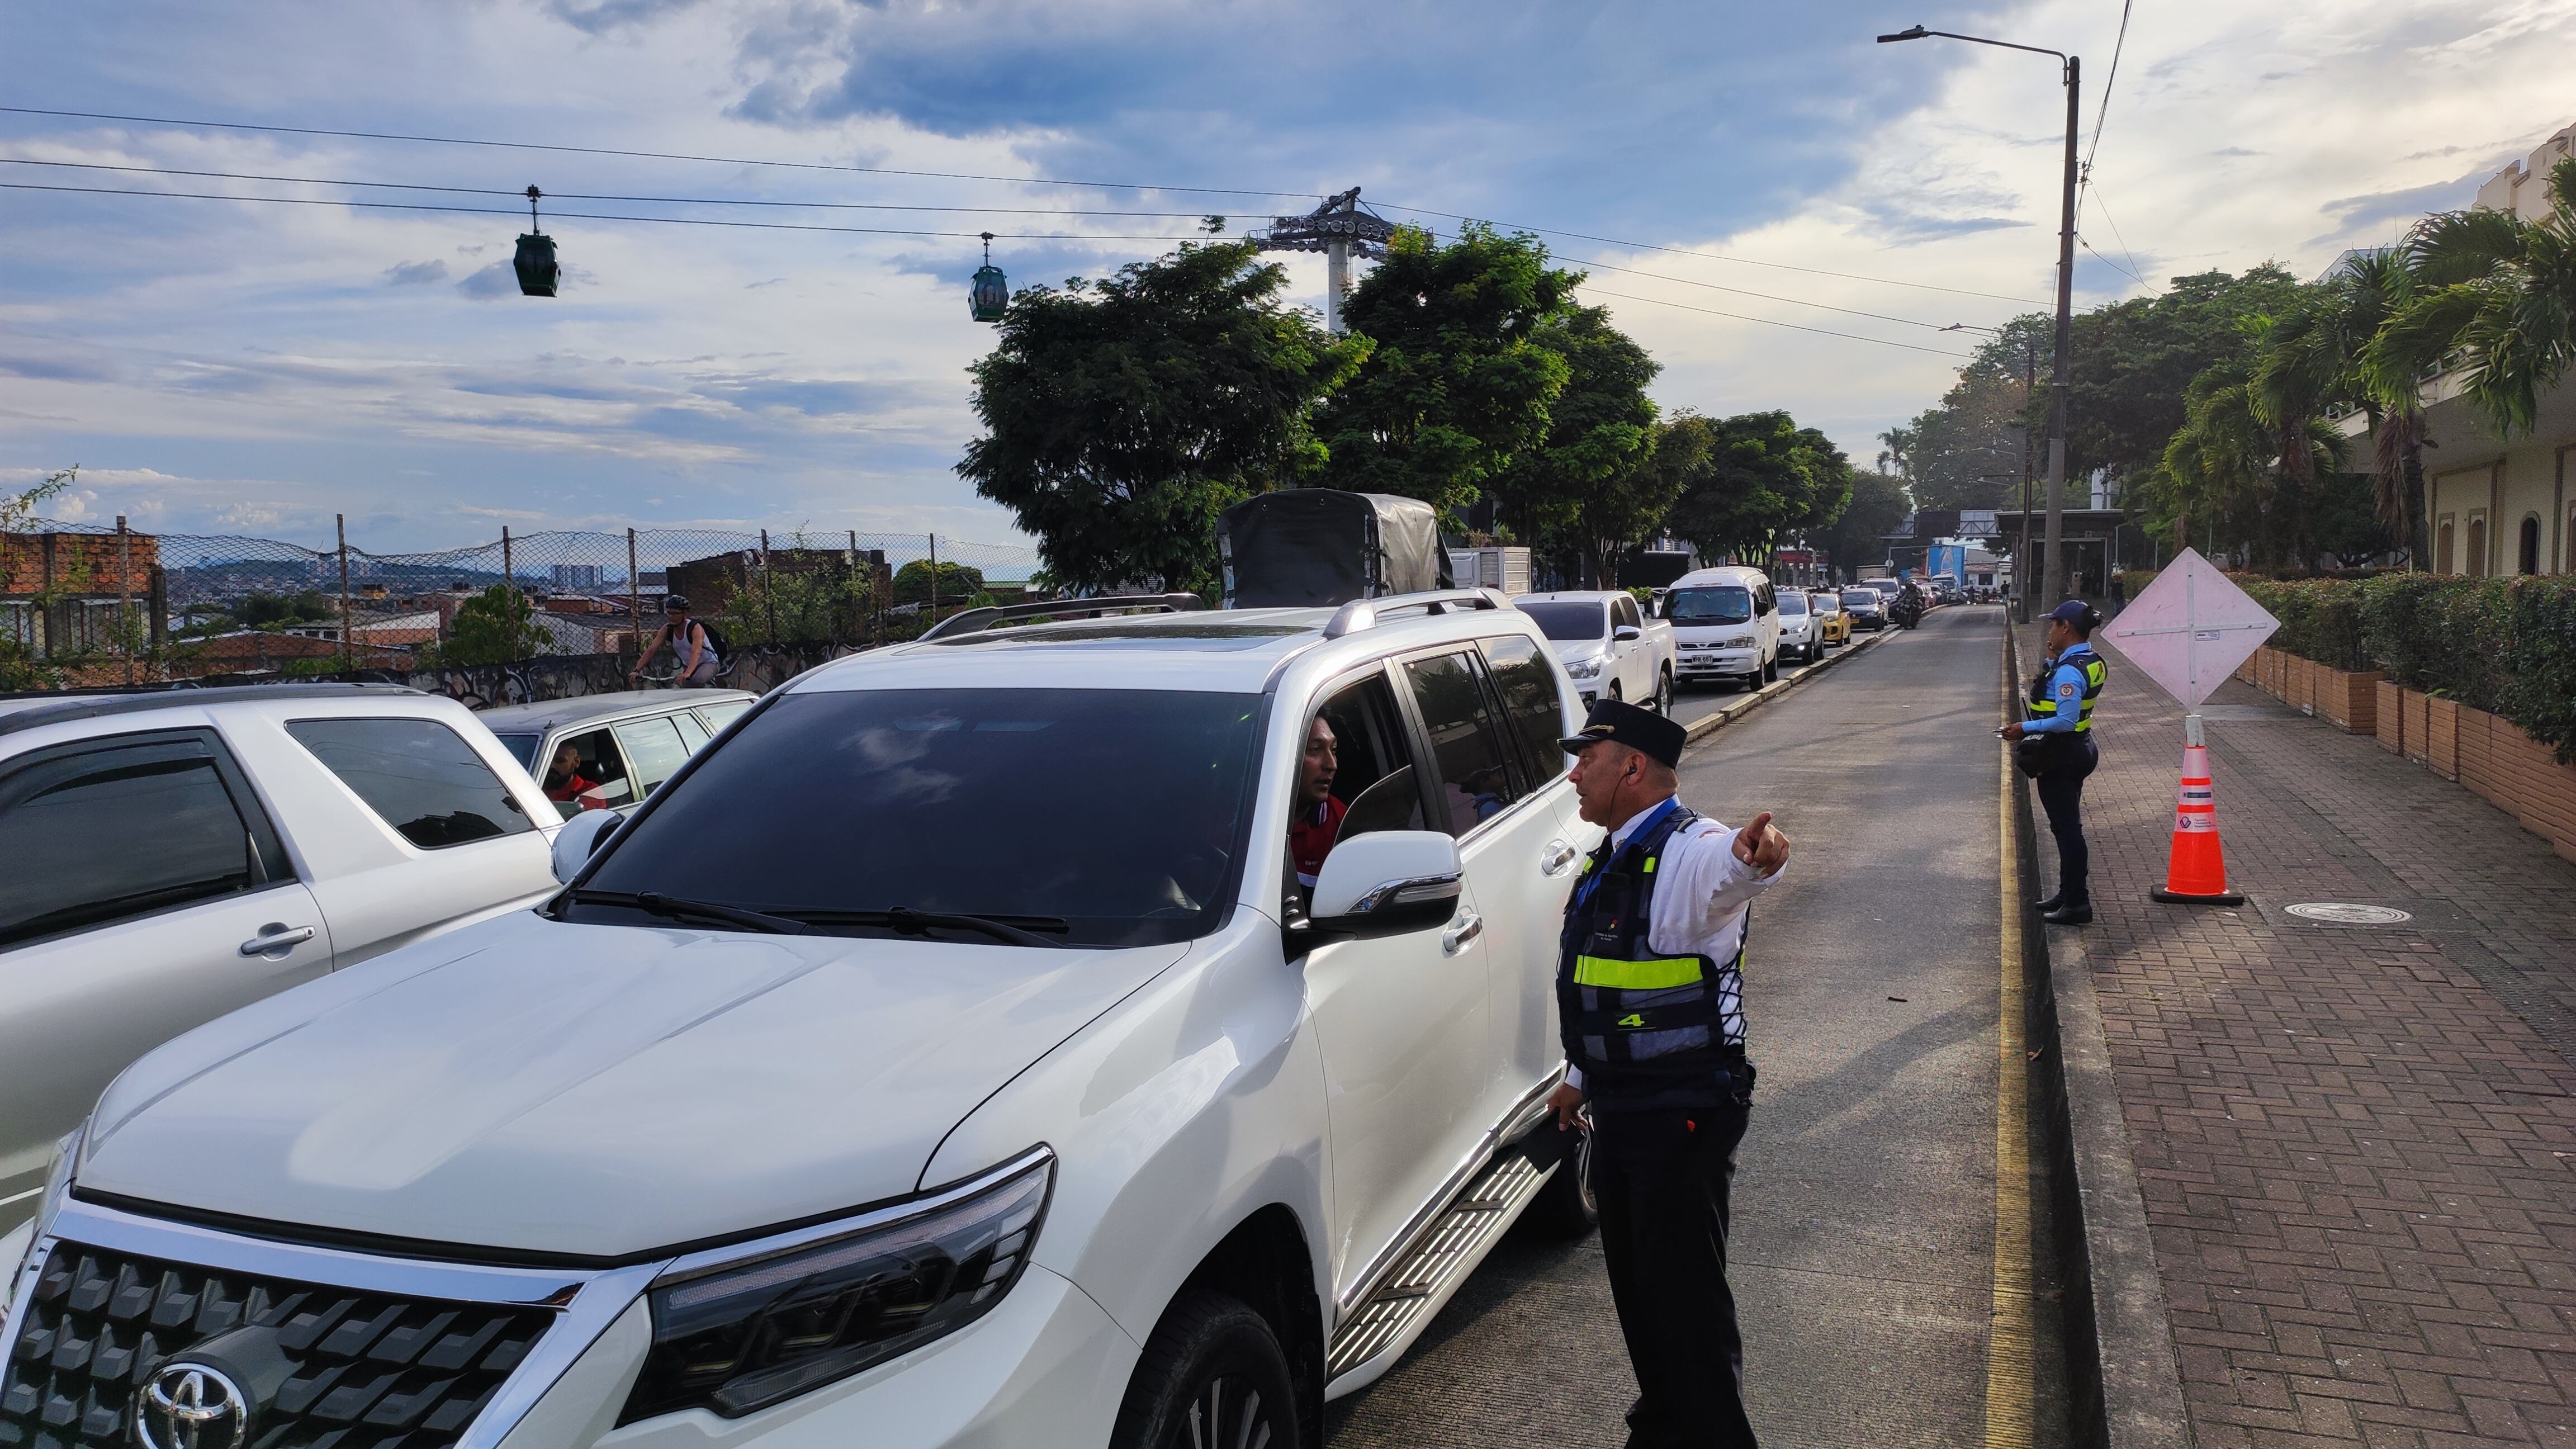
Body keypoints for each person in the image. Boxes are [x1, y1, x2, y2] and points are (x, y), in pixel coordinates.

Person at [1542, 698, 1791, 1449]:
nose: (1576, 773)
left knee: (1684, 1309)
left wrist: (1758, 856)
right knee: (1643, 1297)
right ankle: (1661, 1428)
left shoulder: (1688, 851)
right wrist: (1580, 1079)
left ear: (1635, 768)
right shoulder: (1613, 855)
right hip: (1625, 1109)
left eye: (1591, 759)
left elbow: (1732, 868)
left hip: (1680, 1114)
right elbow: (1606, 986)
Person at [2004, 599, 2108, 925]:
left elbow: (2065, 720)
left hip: (2062, 753)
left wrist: (2024, 727)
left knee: (2068, 831)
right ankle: (2066, 894)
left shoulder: (2069, 671)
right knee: (2065, 827)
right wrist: (2052, 664)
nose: (2049, 629)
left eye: (2053, 624)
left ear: (2066, 627)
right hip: (2079, 747)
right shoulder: (2092, 661)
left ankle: (2077, 904)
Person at [1289, 714, 1347, 891]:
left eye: (1334, 750)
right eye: (1315, 749)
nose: (1331, 765)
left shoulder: (1343, 825)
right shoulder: (1231, 821)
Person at [631, 595, 721, 688]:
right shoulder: (667, 629)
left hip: (709, 663)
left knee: (696, 681)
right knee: (682, 686)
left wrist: (688, 673)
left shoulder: (694, 628)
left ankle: (709, 700)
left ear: (685, 614)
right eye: (669, 613)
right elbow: (652, 649)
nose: (671, 616)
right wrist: (637, 670)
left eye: (675, 614)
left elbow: (696, 652)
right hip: (689, 666)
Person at [541, 742, 599, 807]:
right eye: (547, 761)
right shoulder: (535, 784)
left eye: (560, 761)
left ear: (576, 762)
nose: (551, 766)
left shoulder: (590, 791)